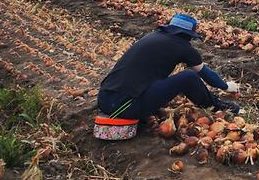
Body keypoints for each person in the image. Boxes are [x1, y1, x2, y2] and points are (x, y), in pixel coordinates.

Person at [97, 13, 240, 120]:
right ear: (188, 35)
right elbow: (204, 73)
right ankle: (218, 106)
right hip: (125, 107)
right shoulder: (183, 47)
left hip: (104, 99)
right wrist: (226, 86)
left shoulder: (152, 37)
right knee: (188, 77)